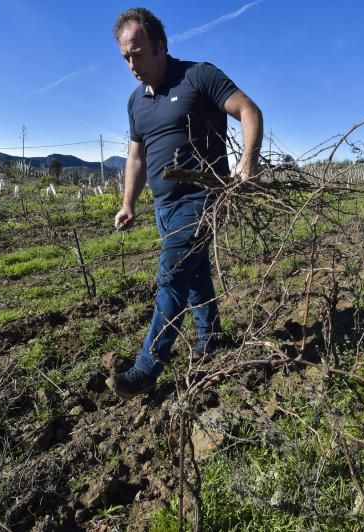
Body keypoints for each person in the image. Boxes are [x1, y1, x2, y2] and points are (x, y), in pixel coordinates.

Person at [105, 7, 263, 398]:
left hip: (202, 197)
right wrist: (129, 202)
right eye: (125, 57)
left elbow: (248, 110)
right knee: (193, 274)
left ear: (160, 46)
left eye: (138, 53)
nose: (131, 64)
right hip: (164, 206)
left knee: (172, 276)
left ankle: (147, 366)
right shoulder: (136, 102)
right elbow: (136, 157)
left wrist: (247, 160)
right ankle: (209, 336)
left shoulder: (199, 76)